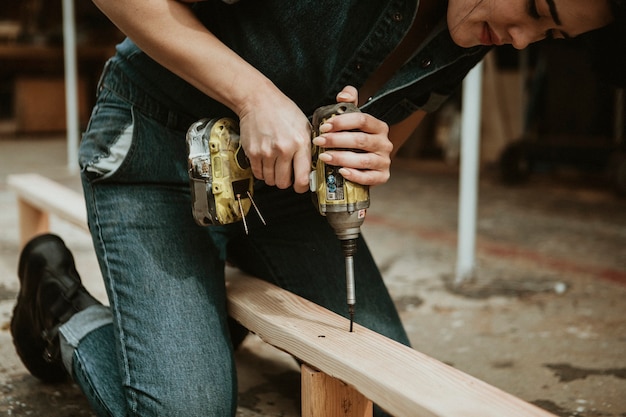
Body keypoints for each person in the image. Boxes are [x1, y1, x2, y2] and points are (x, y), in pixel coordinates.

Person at [11, 0, 624, 416]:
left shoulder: (477, 26)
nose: (520, 39)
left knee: (382, 390)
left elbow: (388, 128)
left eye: (550, 35)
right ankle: (62, 307)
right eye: (536, 10)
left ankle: (192, 318)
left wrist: (374, 151)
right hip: (161, 151)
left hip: (289, 188)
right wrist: (252, 95)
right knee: (186, 407)